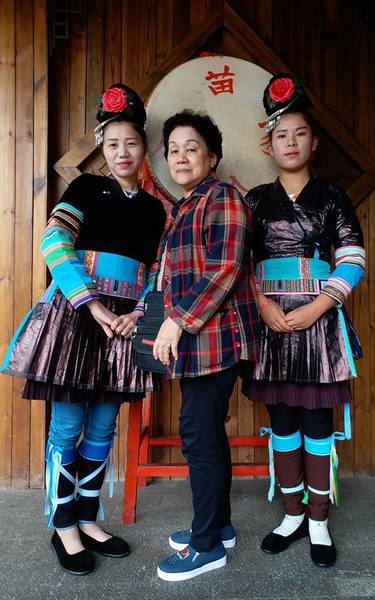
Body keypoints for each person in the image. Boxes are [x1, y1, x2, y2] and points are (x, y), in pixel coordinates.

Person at [1, 83, 166, 575]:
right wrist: (92, 303)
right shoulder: (85, 189)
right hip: (77, 318)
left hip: (124, 326)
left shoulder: (155, 209)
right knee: (68, 425)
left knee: (103, 426)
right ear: (101, 147)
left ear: (145, 147)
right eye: (112, 143)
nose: (122, 152)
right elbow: (54, 241)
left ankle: (89, 517)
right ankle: (64, 524)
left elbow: (156, 271)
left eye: (130, 142)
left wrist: (140, 313)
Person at [242, 74, 366, 568]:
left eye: (300, 134)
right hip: (271, 323)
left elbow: (352, 257)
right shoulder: (255, 200)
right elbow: (241, 263)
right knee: (282, 421)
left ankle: (318, 519)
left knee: (317, 422)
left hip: (320, 322)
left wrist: (319, 306)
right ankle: (291, 515)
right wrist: (262, 306)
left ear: (314, 143)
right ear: (268, 145)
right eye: (281, 135)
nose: (290, 142)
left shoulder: (333, 197)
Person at [151, 110, 259, 581]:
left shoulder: (224, 197)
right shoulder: (184, 206)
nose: (180, 157)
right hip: (197, 340)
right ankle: (220, 527)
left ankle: (206, 546)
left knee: (197, 433)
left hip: (217, 338)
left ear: (212, 157)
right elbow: (168, 273)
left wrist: (177, 321)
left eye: (191, 148)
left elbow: (225, 268)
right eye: (173, 150)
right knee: (206, 432)